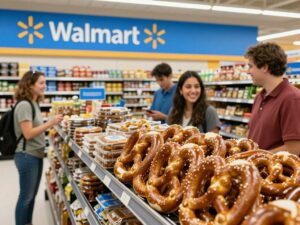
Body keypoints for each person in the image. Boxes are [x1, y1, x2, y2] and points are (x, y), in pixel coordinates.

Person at [14, 71, 63, 225]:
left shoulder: (34, 102)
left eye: (44, 82)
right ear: (30, 84)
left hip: (35, 155)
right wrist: (50, 123)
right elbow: (28, 134)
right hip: (26, 156)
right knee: (25, 197)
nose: (44, 86)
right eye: (41, 83)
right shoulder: (24, 104)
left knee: (31, 196)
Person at [245, 42, 300, 155]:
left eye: (251, 66)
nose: (248, 71)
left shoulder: (292, 99)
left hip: (275, 170)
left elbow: (294, 148)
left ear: (264, 67)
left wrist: (257, 157)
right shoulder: (259, 96)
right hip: (256, 169)